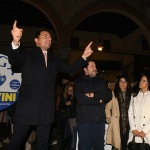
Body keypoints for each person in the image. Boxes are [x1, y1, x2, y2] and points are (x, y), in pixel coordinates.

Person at [7, 20, 93, 150]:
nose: (49, 39)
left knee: (43, 146)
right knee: (15, 144)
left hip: (45, 112)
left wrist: (83, 57)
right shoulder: (27, 55)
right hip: (26, 110)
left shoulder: (54, 60)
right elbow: (14, 60)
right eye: (45, 36)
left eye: (50, 37)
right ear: (36, 40)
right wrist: (15, 42)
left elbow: (70, 69)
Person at [74, 60, 112, 150]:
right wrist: (98, 100)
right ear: (85, 69)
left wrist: (92, 95)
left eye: (95, 67)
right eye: (92, 67)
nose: (95, 69)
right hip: (84, 123)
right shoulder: (79, 82)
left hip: (99, 123)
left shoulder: (101, 81)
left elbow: (108, 95)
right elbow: (80, 99)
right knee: (84, 147)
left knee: (99, 147)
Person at [105, 76, 132, 150]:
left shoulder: (131, 95)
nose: (123, 83)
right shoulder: (114, 94)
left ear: (127, 83)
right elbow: (107, 107)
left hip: (129, 124)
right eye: (121, 81)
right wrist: (109, 119)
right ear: (118, 83)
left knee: (127, 144)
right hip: (117, 123)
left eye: (125, 81)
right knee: (118, 145)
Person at [128, 73, 150, 149]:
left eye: (144, 81)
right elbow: (130, 113)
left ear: (148, 83)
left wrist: (144, 131)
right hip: (134, 133)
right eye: (141, 80)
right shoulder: (134, 96)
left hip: (147, 134)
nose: (141, 82)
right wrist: (133, 129)